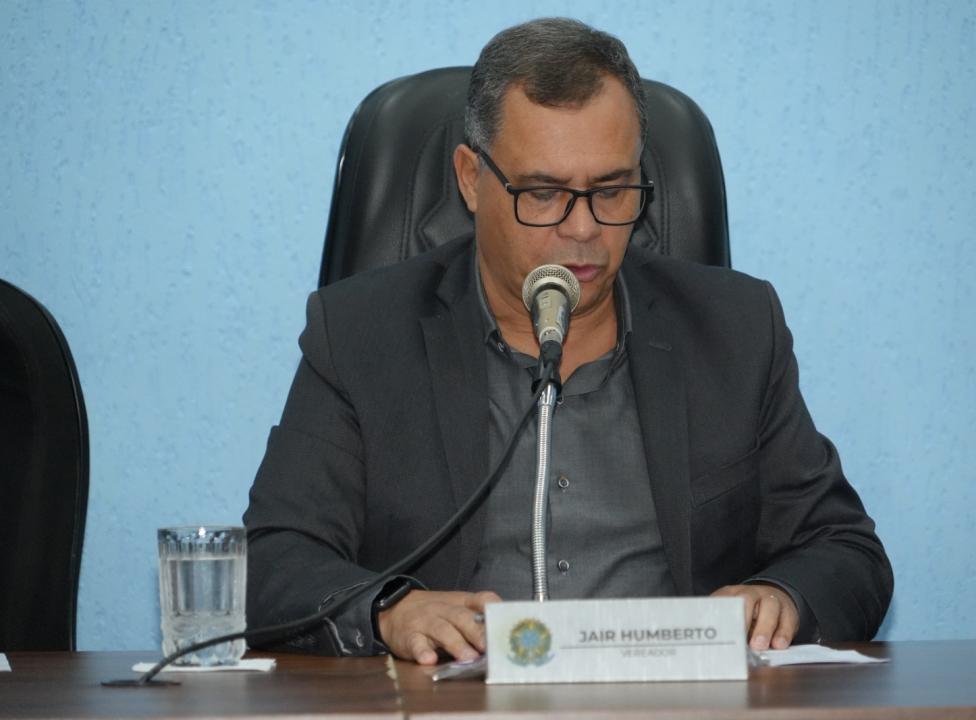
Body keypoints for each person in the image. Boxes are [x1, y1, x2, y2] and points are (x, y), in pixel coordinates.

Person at [244, 17, 892, 666]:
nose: (583, 229)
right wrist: (388, 611)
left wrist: (783, 598)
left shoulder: (736, 329)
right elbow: (273, 562)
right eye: (544, 193)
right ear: (470, 178)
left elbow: (847, 553)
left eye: (611, 190)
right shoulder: (361, 334)